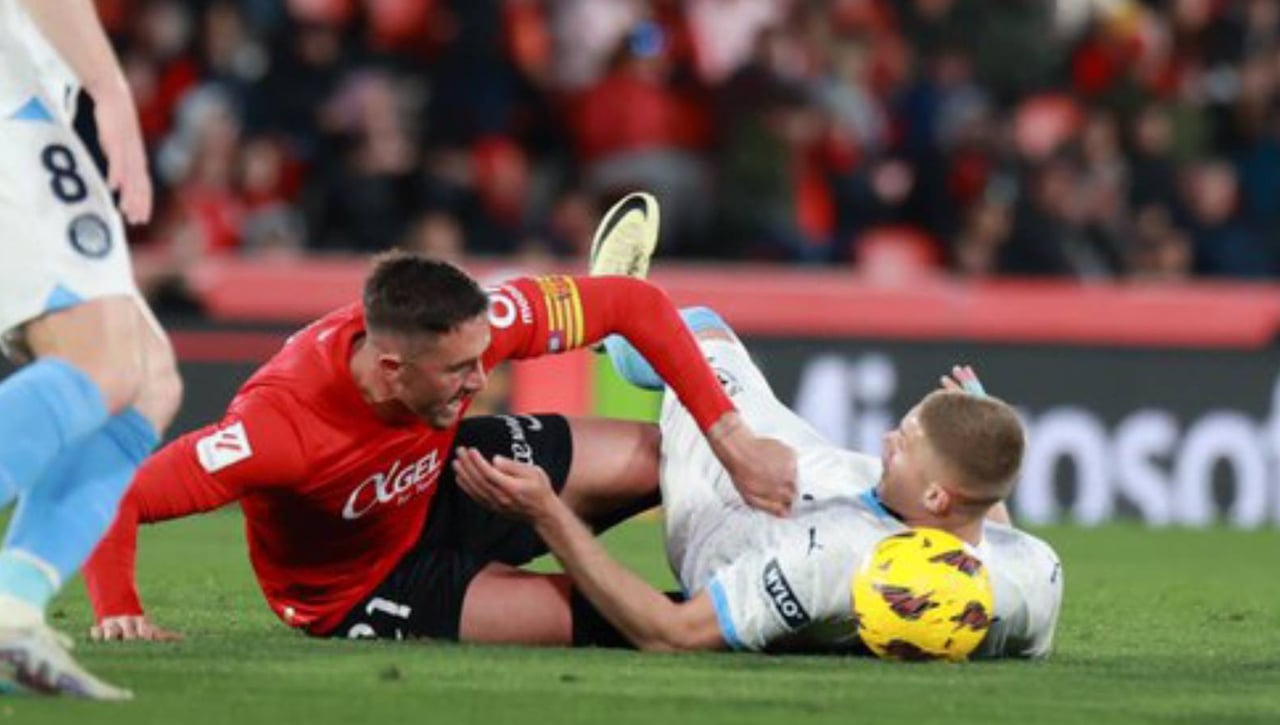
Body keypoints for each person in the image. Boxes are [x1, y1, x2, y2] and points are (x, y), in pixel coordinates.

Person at [84, 193, 797, 648]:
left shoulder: (464, 331)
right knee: (624, 616)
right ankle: (806, 613)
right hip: (369, 583)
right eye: (460, 371)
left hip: (444, 475)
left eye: (482, 358)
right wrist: (118, 607)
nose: (482, 379)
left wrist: (729, 440)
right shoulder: (280, 430)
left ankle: (807, 540)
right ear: (391, 369)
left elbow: (631, 303)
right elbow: (116, 491)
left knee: (661, 451)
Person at [454, 310, 1064, 656]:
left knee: (695, 329)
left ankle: (613, 326)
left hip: (737, 509)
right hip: (841, 485)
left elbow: (669, 634)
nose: (887, 441)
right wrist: (983, 453)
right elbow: (987, 534)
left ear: (935, 496)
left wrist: (548, 514)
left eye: (904, 443)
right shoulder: (1034, 578)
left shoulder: (822, 560)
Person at [0, 0, 183, 698]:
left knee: (147, 380)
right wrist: (109, 87)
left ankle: (12, 611)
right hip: (13, 93)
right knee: (103, 363)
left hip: (31, 89)